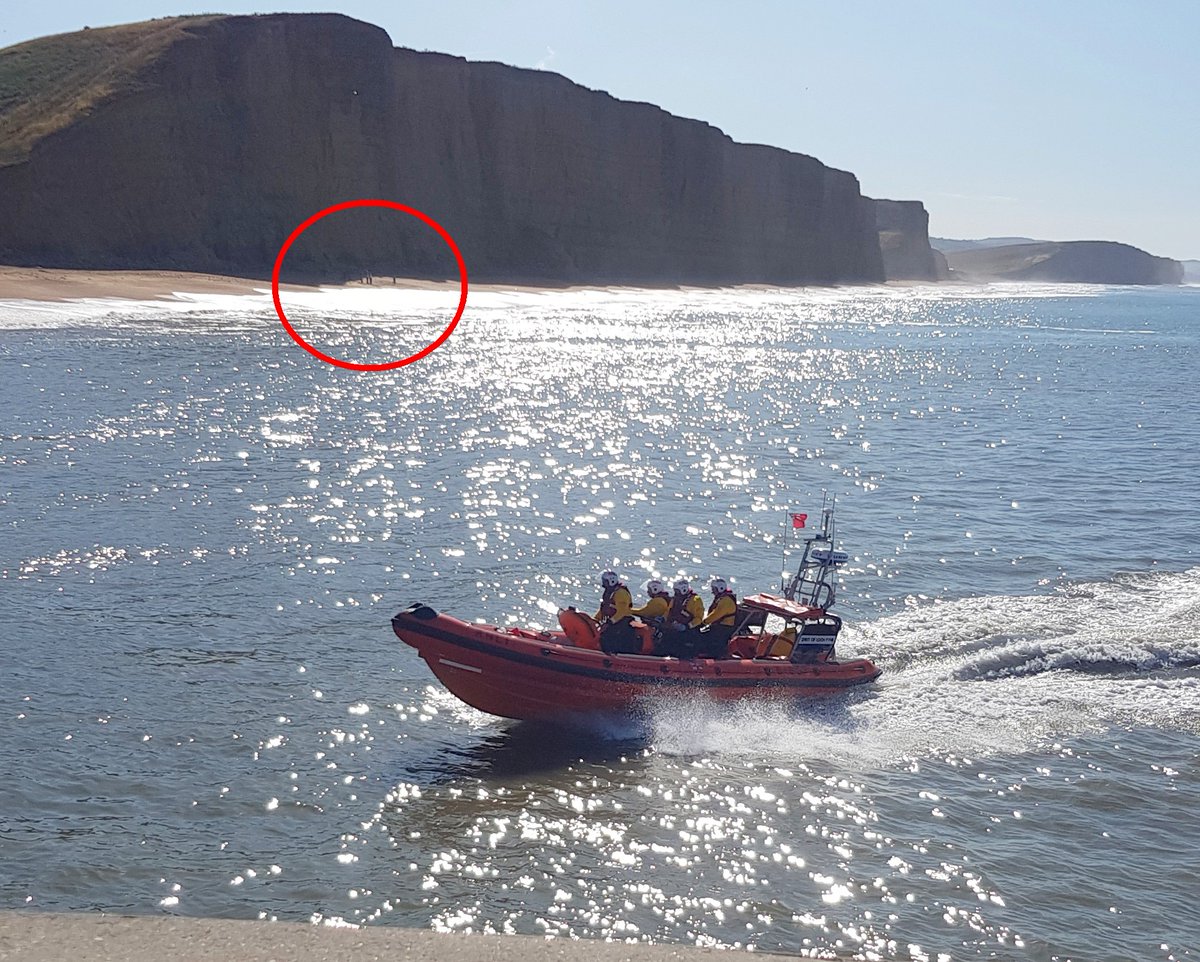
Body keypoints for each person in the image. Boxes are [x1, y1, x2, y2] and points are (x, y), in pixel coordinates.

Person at [656, 578, 705, 657]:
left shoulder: (696, 600)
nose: (675, 593)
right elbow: (668, 611)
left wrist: (687, 626)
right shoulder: (675, 599)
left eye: (677, 591)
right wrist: (662, 618)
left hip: (689, 630)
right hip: (674, 627)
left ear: (683, 590)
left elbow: (698, 618)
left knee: (679, 642)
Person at [594, 570, 639, 654]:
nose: (603, 583)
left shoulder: (621, 593)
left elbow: (622, 612)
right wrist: (595, 620)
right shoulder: (610, 592)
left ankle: (612, 655)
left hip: (622, 622)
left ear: (611, 581)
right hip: (614, 621)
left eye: (605, 581)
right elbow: (604, 609)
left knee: (610, 637)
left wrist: (610, 622)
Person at [695, 577, 738, 658]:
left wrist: (703, 623)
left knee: (705, 637)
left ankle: (714, 655)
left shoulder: (726, 601)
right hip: (719, 626)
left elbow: (716, 614)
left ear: (720, 588)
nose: (712, 591)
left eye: (714, 589)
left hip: (725, 628)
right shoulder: (721, 599)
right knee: (703, 634)